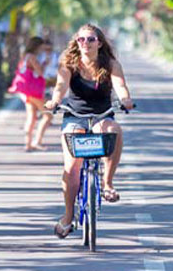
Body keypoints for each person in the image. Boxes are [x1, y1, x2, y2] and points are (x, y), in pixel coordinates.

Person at [44, 24, 134, 239]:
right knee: (72, 169)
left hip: (102, 116)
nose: (85, 43)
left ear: (99, 43)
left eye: (90, 39)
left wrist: (125, 100)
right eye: (81, 39)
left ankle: (108, 183)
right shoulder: (69, 64)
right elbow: (60, 87)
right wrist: (54, 101)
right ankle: (67, 217)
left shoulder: (111, 64)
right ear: (77, 42)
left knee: (115, 130)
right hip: (74, 116)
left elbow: (121, 87)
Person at [8, 36, 53, 151]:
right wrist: (45, 63)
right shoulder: (32, 57)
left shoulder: (24, 56)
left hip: (26, 91)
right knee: (48, 115)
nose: (43, 49)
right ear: (37, 46)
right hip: (34, 91)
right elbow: (41, 72)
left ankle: (28, 144)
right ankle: (37, 141)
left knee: (31, 117)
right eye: (42, 47)